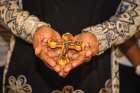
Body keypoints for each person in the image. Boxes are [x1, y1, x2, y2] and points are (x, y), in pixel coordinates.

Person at [0, 0, 140, 93]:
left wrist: (101, 36)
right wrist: (32, 30)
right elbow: (3, 5)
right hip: (28, 62)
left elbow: (136, 11)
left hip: (98, 67)